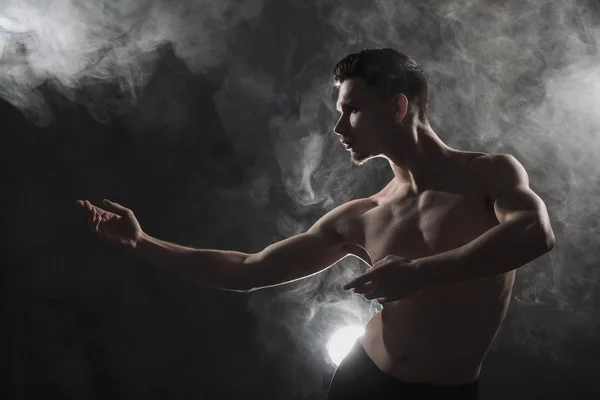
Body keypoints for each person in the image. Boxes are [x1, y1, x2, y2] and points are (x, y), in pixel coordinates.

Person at [76, 48, 556, 399]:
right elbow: (250, 269)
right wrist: (143, 244)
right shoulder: (364, 215)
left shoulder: (488, 173)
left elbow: (536, 233)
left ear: (398, 106)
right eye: (338, 111)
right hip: (362, 380)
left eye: (352, 109)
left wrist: (421, 273)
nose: (339, 126)